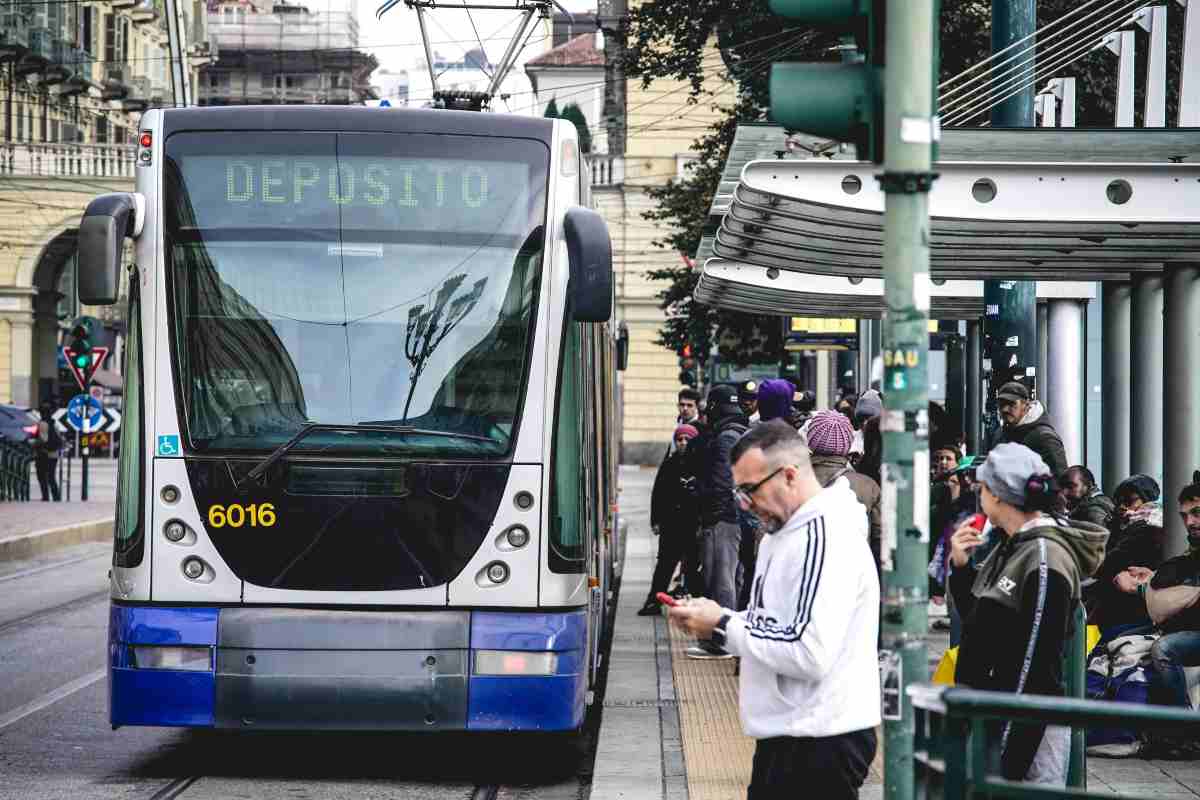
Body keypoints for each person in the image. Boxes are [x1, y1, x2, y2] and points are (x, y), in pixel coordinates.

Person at [667, 420, 880, 799]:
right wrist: (720, 617)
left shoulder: (824, 537)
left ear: (790, 475)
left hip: (820, 737)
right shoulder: (782, 532)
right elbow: (775, 621)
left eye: (750, 490)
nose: (745, 503)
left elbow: (809, 650)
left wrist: (722, 626)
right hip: (792, 731)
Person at [948, 443, 1107, 785]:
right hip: (1004, 715)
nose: (979, 494)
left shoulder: (1042, 555)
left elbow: (1035, 664)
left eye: (982, 487)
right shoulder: (1014, 545)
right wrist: (960, 569)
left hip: (1024, 726)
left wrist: (1006, 758)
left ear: (998, 495)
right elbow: (980, 625)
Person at [1111, 475, 1200, 718]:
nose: (1190, 522)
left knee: (1164, 648)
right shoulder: (1193, 547)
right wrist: (1151, 579)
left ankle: (1183, 727)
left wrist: (1143, 588)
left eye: (1197, 513)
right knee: (1124, 637)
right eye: (1185, 516)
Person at [692, 384, 751, 659]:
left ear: (715, 407)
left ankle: (720, 641)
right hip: (734, 517)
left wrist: (710, 513)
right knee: (731, 578)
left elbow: (721, 482)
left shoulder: (725, 437)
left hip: (722, 518)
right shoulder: (741, 431)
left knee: (721, 578)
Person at [1084, 474, 1164, 632]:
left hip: (1129, 607)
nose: (1122, 507)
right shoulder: (1126, 525)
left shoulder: (1147, 527)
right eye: (1119, 502)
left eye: (1129, 501)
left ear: (1146, 500)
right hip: (1124, 603)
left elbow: (1110, 562)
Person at [805, 411, 882, 566]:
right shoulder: (867, 486)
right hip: (852, 574)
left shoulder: (792, 481)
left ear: (811, 440)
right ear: (847, 443)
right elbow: (879, 542)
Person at [640, 424, 702, 616]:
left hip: (692, 525)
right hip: (671, 525)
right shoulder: (669, 463)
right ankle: (654, 601)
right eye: (680, 440)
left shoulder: (701, 464)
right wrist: (655, 521)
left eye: (687, 440)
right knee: (665, 566)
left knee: (692, 568)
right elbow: (658, 493)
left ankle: (696, 607)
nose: (683, 443)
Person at [989, 381, 1068, 478]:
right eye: (1001, 404)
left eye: (1011, 404)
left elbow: (1060, 479)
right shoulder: (1000, 434)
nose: (1005, 409)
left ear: (1026, 405)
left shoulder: (1044, 437)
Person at [33, 403, 61, 502]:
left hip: (44, 454)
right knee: (51, 477)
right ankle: (56, 497)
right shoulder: (53, 423)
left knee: (41, 476)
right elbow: (59, 437)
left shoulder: (43, 423)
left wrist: (33, 443)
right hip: (54, 454)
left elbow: (43, 439)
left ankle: (45, 497)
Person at [665, 388, 702, 458]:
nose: (685, 408)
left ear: (696, 407)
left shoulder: (702, 428)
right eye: (682, 405)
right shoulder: (678, 425)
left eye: (689, 405)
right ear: (678, 405)